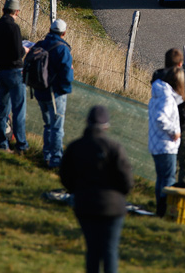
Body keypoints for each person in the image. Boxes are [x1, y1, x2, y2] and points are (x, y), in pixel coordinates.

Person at [60, 105, 134, 273]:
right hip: (113, 207)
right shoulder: (115, 147)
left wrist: (77, 191)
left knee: (92, 250)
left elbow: (65, 176)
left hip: (85, 204)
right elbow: (127, 180)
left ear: (87, 122)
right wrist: (119, 194)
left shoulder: (75, 147)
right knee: (110, 250)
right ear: (106, 125)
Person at [0, 0, 29, 153]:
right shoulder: (14, 28)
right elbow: (18, 53)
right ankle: (21, 144)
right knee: (18, 110)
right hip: (15, 72)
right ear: (16, 12)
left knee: (3, 108)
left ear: (4, 9)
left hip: (1, 71)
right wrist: (26, 50)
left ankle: (0, 141)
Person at [151, 48, 185, 189]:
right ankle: (182, 197)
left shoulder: (157, 78)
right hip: (181, 127)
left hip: (162, 133)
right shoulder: (175, 78)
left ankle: (166, 199)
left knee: (169, 170)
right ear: (180, 64)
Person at [34, 19, 74, 168]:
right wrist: (64, 89)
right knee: (57, 128)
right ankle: (56, 160)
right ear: (63, 33)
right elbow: (67, 74)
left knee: (48, 125)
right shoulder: (62, 49)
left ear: (50, 30)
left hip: (39, 91)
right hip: (55, 93)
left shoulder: (40, 44)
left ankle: (47, 155)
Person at [149, 67, 184, 217]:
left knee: (161, 178)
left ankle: (160, 208)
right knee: (168, 179)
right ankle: (164, 210)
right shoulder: (167, 98)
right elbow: (160, 118)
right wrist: (174, 131)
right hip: (166, 145)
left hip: (156, 144)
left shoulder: (156, 96)